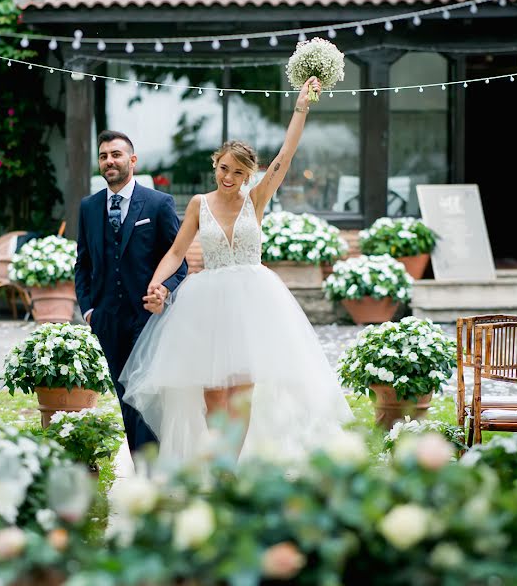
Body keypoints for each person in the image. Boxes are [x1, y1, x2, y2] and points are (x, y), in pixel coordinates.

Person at [120, 77, 353, 464]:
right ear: (216, 164)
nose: (228, 178)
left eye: (237, 173)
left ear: (249, 176)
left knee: (241, 392)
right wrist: (156, 282)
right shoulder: (199, 203)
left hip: (253, 300)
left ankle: (229, 465)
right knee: (213, 394)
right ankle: (219, 457)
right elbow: (177, 251)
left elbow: (286, 155)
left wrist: (302, 106)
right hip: (208, 302)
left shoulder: (256, 199)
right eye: (223, 169)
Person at [75, 130, 188, 454]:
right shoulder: (89, 207)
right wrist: (90, 311)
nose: (109, 161)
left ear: (132, 160)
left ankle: (152, 472)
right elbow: (82, 264)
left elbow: (179, 264)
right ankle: (148, 469)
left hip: (148, 318)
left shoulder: (158, 203)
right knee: (126, 396)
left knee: (147, 393)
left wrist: (164, 291)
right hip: (108, 320)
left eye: (116, 154)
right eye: (103, 156)